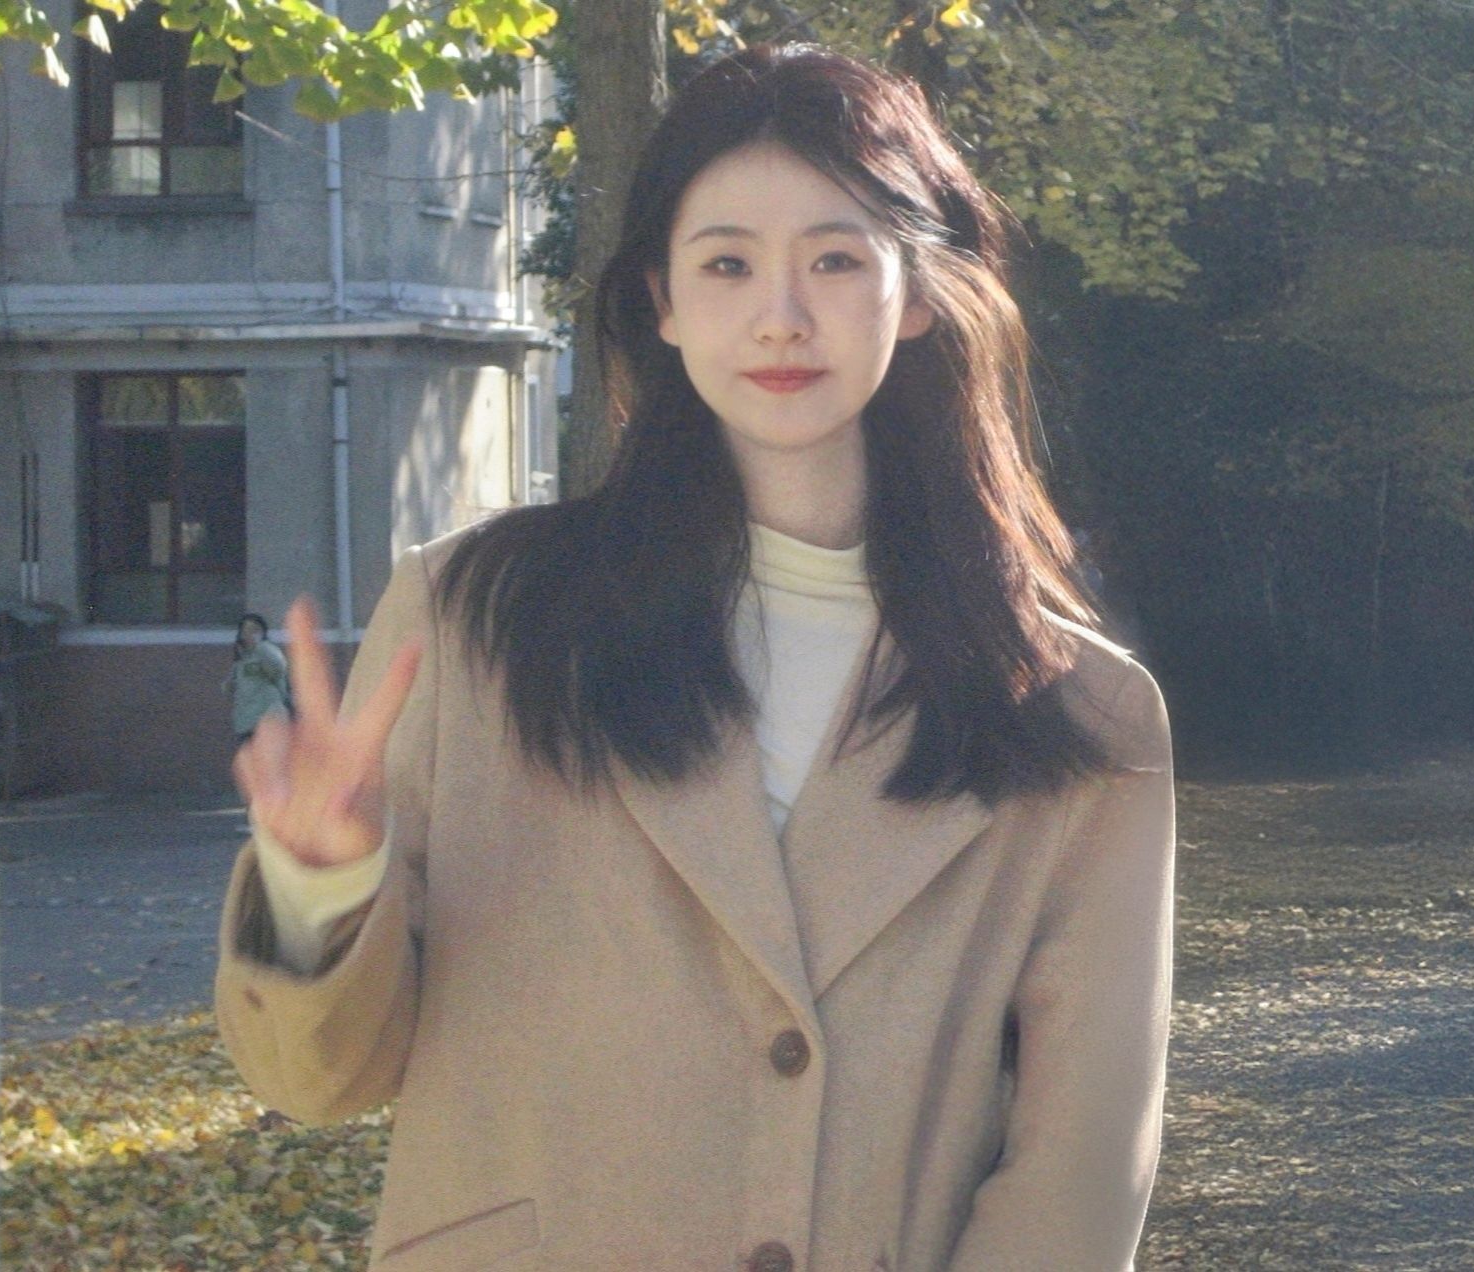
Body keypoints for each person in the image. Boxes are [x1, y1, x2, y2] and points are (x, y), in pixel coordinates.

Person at [216, 43, 1174, 1272]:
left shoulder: (1077, 714)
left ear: (918, 293)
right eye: (726, 263)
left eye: (834, 260)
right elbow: (316, 1079)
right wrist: (320, 887)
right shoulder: (474, 622)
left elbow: (1077, 1175)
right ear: (659, 301)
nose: (780, 315)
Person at [224, 612, 291, 745]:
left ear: (262, 632)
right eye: (245, 630)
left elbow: (279, 673)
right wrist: (228, 686)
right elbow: (230, 686)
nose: (249, 633)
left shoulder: (268, 649)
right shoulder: (242, 658)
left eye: (254, 629)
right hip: (246, 721)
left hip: (269, 718)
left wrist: (263, 662)